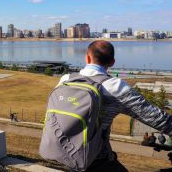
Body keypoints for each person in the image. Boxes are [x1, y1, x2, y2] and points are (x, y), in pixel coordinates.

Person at [52, 40, 172, 172]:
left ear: (87, 58)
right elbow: (159, 119)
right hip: (96, 160)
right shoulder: (116, 87)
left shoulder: (65, 79)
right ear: (112, 62)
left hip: (64, 153)